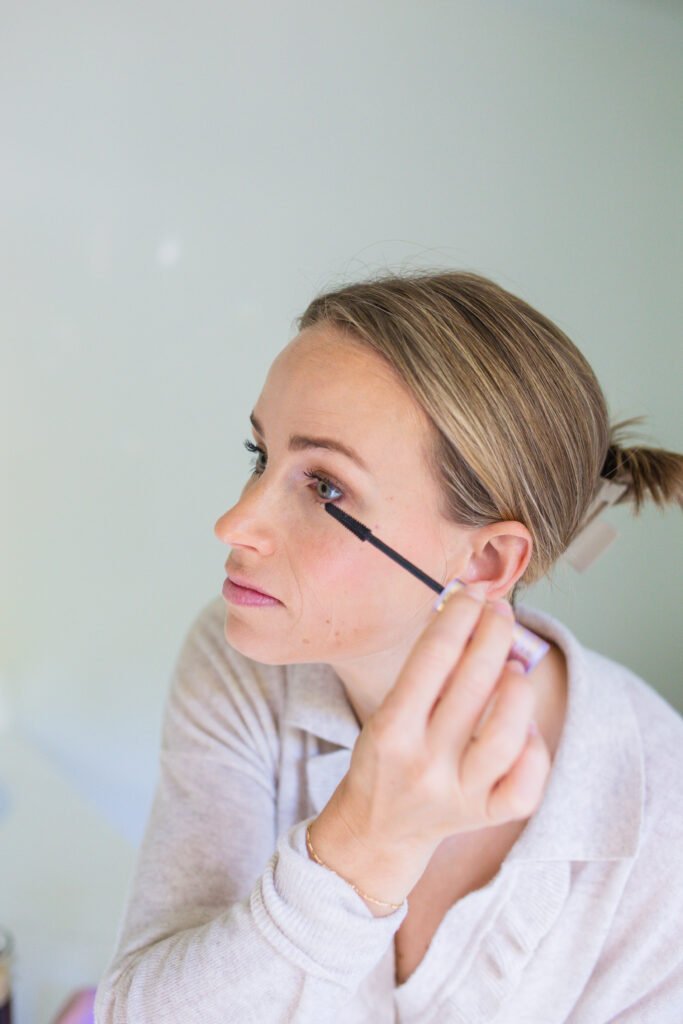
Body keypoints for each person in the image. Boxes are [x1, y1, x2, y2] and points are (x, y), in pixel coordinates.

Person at [94, 270, 683, 1023]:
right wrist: (362, 850)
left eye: (326, 489)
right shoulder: (239, 666)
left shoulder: (662, 826)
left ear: (486, 562)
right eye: (259, 455)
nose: (233, 522)